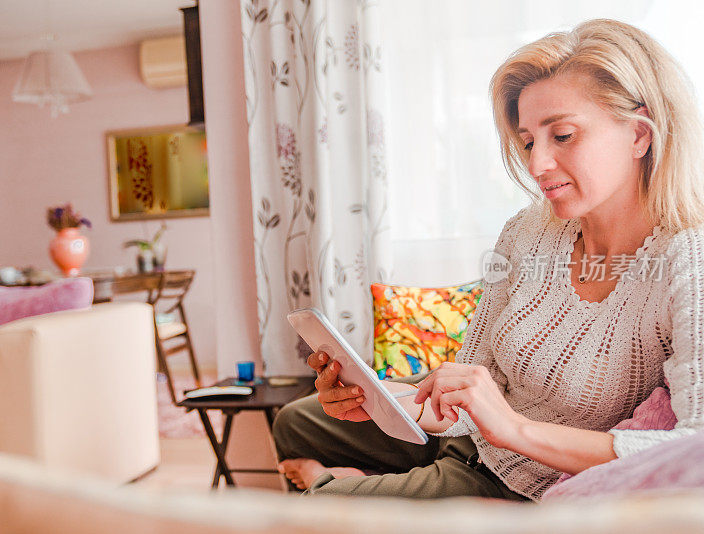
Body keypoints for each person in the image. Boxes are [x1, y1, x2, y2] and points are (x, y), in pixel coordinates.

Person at [272, 18, 704, 502]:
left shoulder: (688, 262)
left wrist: (514, 429)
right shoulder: (528, 230)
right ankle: (349, 475)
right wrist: (384, 405)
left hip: (521, 481)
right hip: (471, 437)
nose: (538, 165)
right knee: (294, 423)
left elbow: (693, 449)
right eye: (528, 141)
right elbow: (464, 390)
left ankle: (330, 481)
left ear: (639, 136)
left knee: (323, 506)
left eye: (562, 135)